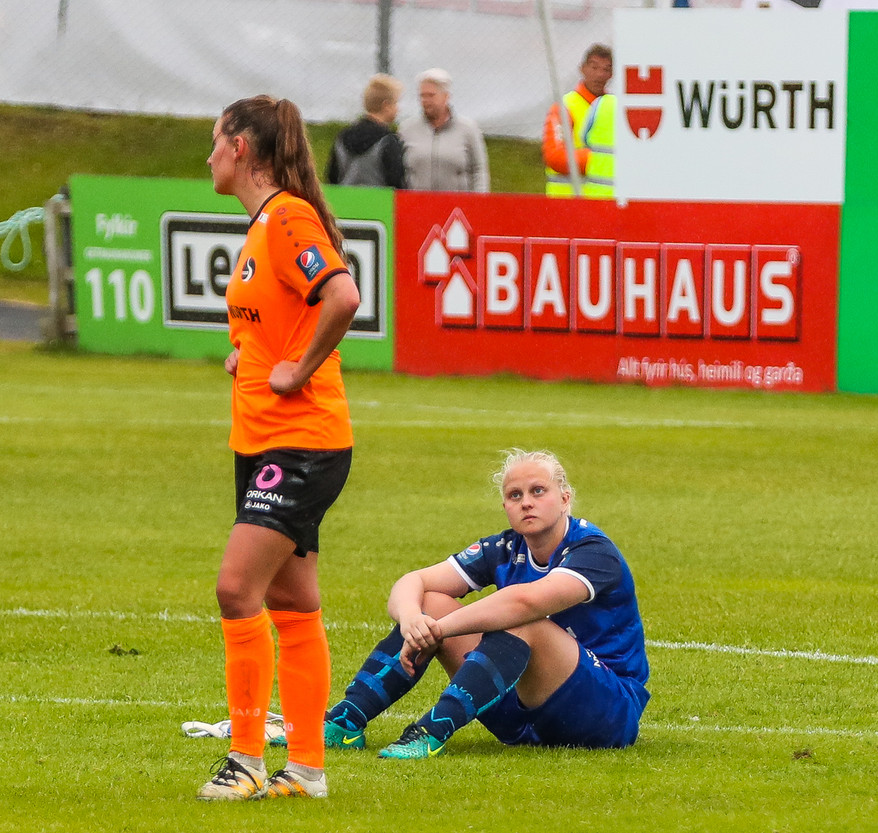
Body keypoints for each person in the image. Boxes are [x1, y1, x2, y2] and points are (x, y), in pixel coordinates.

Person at [198, 94, 360, 801]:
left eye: (215, 140)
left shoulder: (287, 216)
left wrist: (296, 370)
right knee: (292, 602)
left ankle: (245, 760)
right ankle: (307, 769)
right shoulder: (264, 226)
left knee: (237, 588)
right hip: (265, 440)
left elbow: (342, 297)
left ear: (240, 147)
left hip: (300, 444)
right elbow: (282, 321)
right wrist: (256, 356)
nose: (208, 155)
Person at [323, 449, 650, 759]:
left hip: (605, 712)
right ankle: (345, 722)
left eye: (538, 491)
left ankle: (430, 733)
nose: (526, 502)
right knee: (431, 602)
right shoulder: (504, 547)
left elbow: (524, 602)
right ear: (505, 505)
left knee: (523, 621)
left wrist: (437, 630)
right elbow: (413, 581)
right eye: (515, 495)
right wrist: (412, 619)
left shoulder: (594, 551)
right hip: (519, 712)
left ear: (565, 499)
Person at [398, 67, 490, 193]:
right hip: (417, 202)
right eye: (422, 96)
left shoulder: (468, 129)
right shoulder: (406, 129)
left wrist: (479, 201)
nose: (425, 101)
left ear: (446, 96)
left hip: (457, 203)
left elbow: (479, 170)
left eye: (431, 95)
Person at [543, 44, 615, 198]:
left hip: (600, 202)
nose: (599, 74)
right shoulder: (563, 107)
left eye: (606, 69)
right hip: (565, 202)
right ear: (582, 68)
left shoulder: (612, 108)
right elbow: (555, 157)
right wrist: (600, 160)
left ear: (612, 74)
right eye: (594, 67)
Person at [325, 73, 406, 188]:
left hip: (345, 198)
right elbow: (397, 181)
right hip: (380, 199)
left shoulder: (342, 137)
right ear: (386, 106)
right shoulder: (388, 140)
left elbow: (332, 177)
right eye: (396, 103)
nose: (398, 109)